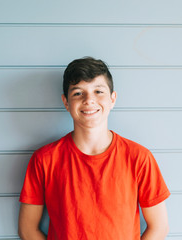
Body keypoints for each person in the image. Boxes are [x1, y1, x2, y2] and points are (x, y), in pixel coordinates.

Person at [18, 57, 170, 240]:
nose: (89, 100)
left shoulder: (139, 158)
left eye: (98, 91)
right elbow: (27, 229)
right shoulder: (44, 160)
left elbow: (159, 227)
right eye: (78, 93)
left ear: (112, 99)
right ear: (66, 102)